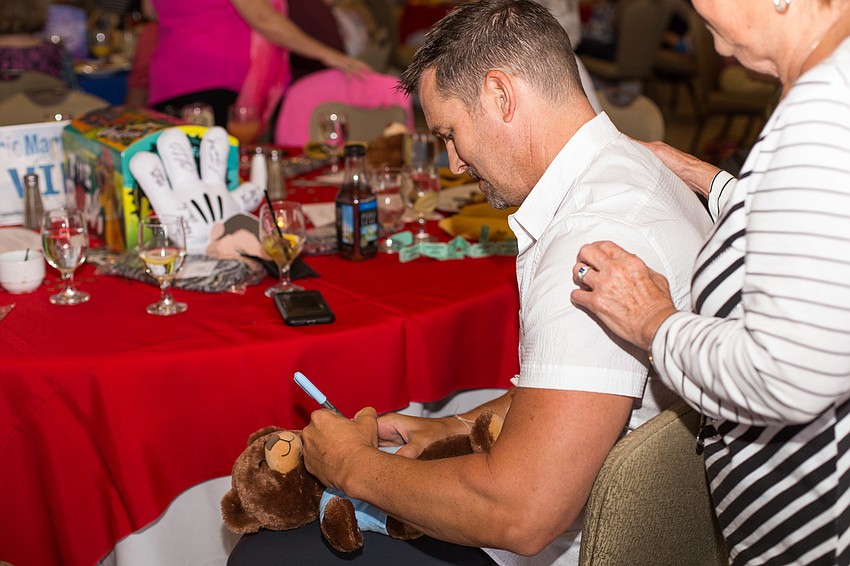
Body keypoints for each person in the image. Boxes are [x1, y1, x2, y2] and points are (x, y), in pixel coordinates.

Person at [228, 1, 711, 564]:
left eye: (451, 132)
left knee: (270, 551)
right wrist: (451, 426)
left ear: (501, 95)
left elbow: (523, 514)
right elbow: (589, 392)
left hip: (580, 545)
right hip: (649, 521)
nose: (454, 162)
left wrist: (355, 468)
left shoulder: (589, 242)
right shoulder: (632, 172)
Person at [569, 0, 850, 563]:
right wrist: (712, 181)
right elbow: (822, 239)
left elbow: (783, 375)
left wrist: (653, 322)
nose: (702, 20)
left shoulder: (823, 114)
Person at [147, 0, 370, 128]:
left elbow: (150, 9)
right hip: (216, 78)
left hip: (169, 82)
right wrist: (328, 54)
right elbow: (264, 19)